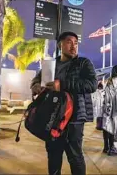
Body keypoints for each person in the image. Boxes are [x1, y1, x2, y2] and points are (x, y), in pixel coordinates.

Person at [30, 32, 97, 175]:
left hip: (74, 116)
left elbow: (92, 85)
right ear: (60, 44)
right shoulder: (51, 64)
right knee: (53, 154)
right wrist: (35, 86)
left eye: (76, 43)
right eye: (69, 42)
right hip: (52, 116)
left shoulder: (83, 63)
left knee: (75, 156)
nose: (73, 46)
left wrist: (62, 85)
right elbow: (37, 80)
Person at [102, 65, 117, 156]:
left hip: (106, 106)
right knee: (113, 126)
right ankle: (112, 147)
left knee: (106, 126)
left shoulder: (109, 80)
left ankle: (106, 147)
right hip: (114, 106)